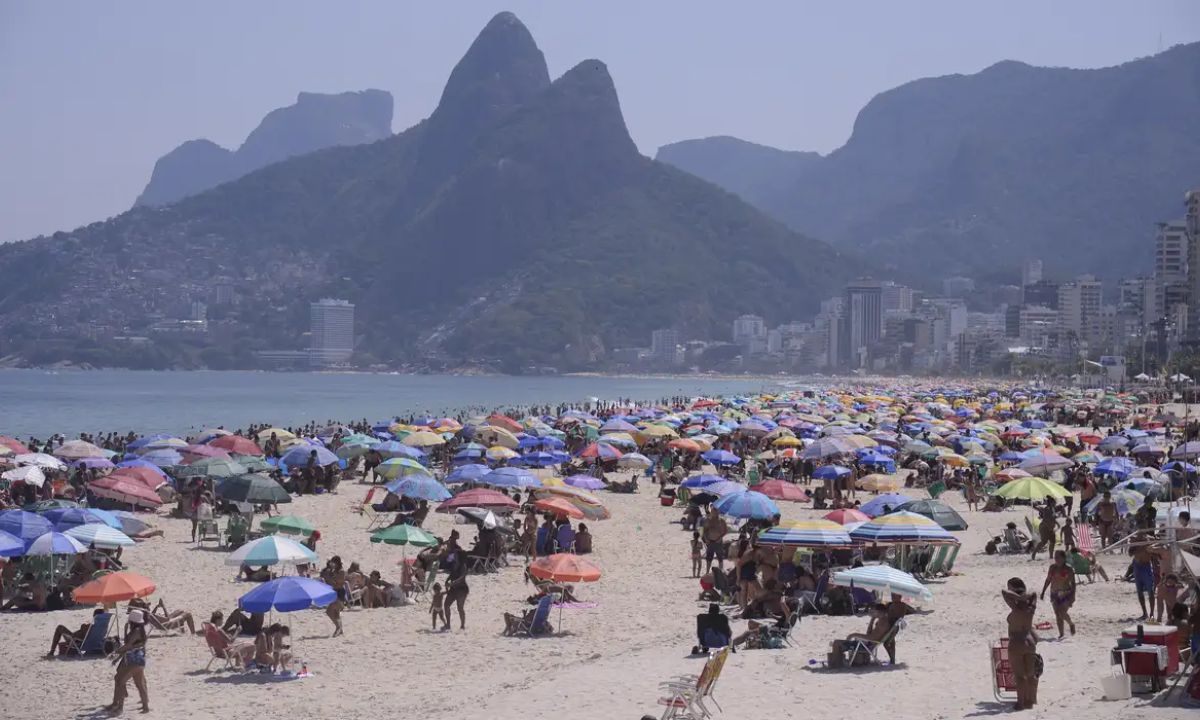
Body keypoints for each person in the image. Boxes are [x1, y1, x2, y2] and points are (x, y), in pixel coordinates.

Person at [1001, 578, 1039, 711]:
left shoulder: (1015, 608)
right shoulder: (1031, 608)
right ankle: (1031, 700)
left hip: (1016, 642)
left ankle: (1020, 703)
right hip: (1030, 641)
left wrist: (1018, 597)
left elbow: (1004, 592)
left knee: (1019, 675)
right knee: (1031, 674)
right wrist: (1024, 596)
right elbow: (1034, 593)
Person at [106, 609, 149, 714]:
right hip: (136, 660)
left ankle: (119, 707)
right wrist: (117, 658)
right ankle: (145, 707)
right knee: (139, 684)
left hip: (134, 661)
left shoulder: (137, 631)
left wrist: (115, 652)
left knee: (121, 682)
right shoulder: (138, 630)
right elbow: (129, 645)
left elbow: (128, 646)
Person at [1040, 551, 1076, 638]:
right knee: (1057, 614)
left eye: (1058, 557)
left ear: (1063, 558)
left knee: (1062, 612)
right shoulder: (1052, 568)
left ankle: (1071, 624)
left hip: (1065, 593)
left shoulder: (1069, 569)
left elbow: (1073, 583)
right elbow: (1048, 580)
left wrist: (1073, 596)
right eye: (1055, 557)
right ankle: (1061, 634)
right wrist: (1043, 592)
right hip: (1054, 593)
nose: (1056, 559)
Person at [442, 552, 469, 630]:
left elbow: (462, 577)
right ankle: (448, 624)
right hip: (453, 589)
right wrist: (447, 581)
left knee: (460, 608)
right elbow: (451, 575)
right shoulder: (454, 564)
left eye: (455, 555)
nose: (454, 556)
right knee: (446, 605)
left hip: (462, 589)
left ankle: (462, 625)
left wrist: (453, 582)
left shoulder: (463, 566)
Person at [702, 507, 728, 572]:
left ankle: (721, 571)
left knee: (720, 557)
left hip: (718, 542)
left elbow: (725, 531)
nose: (714, 513)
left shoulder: (722, 521)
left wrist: (720, 537)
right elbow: (704, 531)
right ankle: (707, 571)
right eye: (713, 512)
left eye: (716, 512)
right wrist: (706, 539)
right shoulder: (708, 520)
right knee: (709, 558)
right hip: (710, 541)